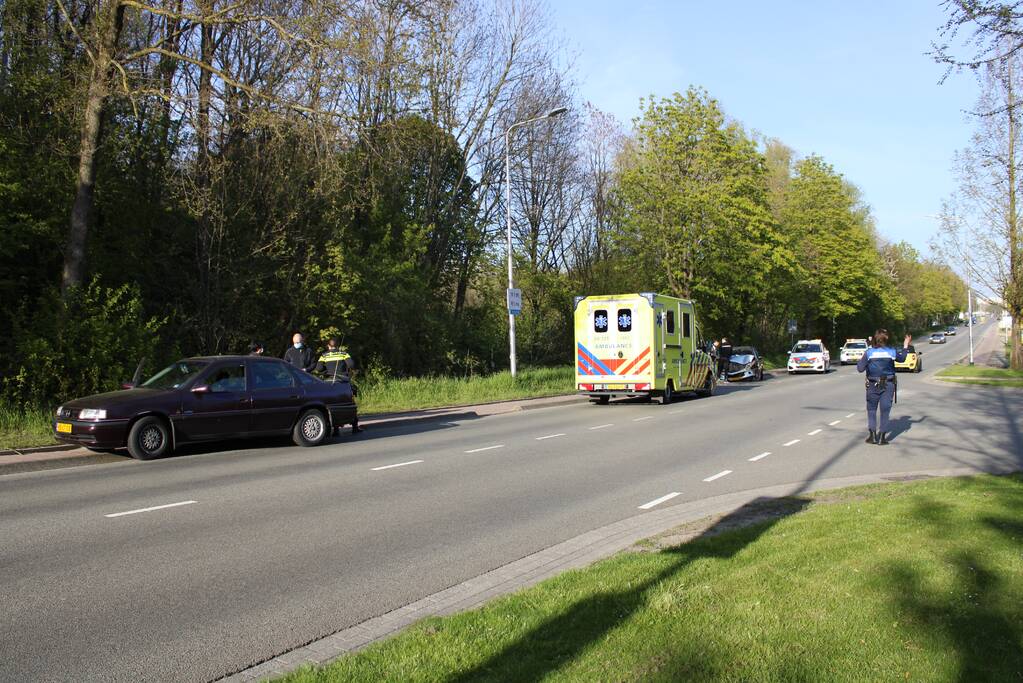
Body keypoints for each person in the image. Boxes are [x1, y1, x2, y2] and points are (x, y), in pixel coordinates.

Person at [856, 328, 912, 445]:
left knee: (871, 409)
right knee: (885, 410)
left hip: (872, 384)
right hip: (888, 384)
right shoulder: (891, 351)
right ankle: (882, 437)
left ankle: (872, 436)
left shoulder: (869, 352)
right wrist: (906, 345)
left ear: (875, 339)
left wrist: (865, 359)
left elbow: (860, 368)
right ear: (887, 339)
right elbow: (902, 359)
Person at [315, 338, 363, 434]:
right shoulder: (343, 354)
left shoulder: (324, 355)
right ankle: (355, 427)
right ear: (337, 346)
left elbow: (318, 368)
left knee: (332, 405)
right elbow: (352, 365)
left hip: (329, 382)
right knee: (350, 402)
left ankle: (336, 430)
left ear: (328, 346)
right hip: (342, 381)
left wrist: (327, 372)